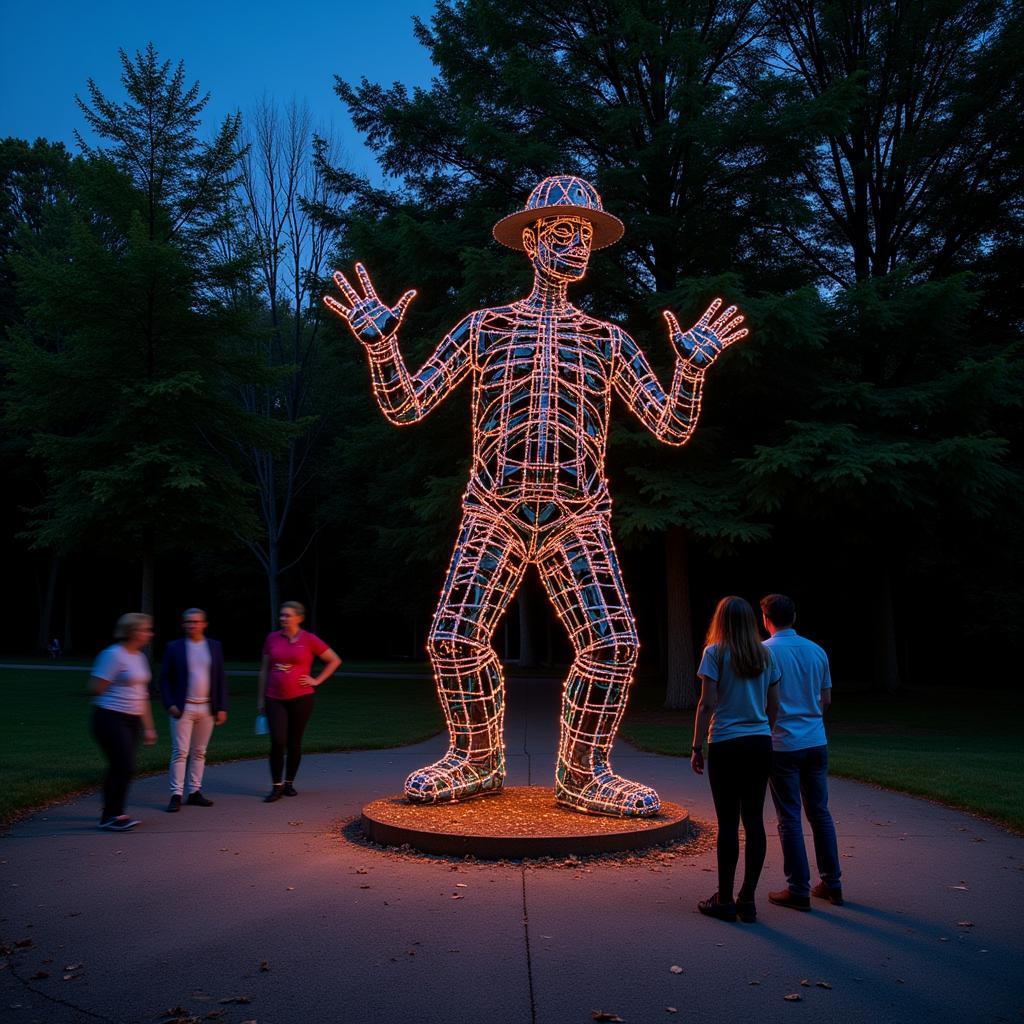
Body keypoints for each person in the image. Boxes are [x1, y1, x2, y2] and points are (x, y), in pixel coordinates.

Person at [325, 175, 748, 816]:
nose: (575, 244)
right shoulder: (486, 328)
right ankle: (474, 757)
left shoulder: (608, 341)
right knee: (452, 638)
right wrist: (382, 345)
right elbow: (408, 405)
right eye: (561, 231)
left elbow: (671, 426)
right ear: (529, 240)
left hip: (578, 514)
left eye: (584, 235)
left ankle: (584, 772)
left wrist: (690, 369)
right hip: (495, 508)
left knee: (614, 645)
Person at [691, 596, 781, 922]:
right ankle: (748, 899)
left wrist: (696, 746)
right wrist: (762, 732)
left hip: (726, 744)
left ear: (721, 620)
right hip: (759, 744)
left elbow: (706, 704)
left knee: (728, 822)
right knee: (754, 821)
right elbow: (774, 705)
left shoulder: (714, 653)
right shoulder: (766, 655)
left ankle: (724, 899)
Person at [761, 593, 843, 910]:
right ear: (794, 616)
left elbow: (764, 700)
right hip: (815, 740)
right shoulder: (816, 651)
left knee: (789, 817)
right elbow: (826, 700)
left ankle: (798, 888)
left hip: (782, 742)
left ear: (765, 618)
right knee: (820, 813)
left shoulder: (765, 653)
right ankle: (832, 883)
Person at [256, 601, 341, 802]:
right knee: (278, 741)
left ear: (299, 618)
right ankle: (276, 786)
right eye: (281, 615)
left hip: (302, 698)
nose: (283, 618)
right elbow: (264, 670)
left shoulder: (309, 639)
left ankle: (289, 783)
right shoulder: (272, 638)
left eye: (287, 615)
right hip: (274, 697)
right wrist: (260, 699)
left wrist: (317, 680)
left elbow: (334, 660)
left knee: (294, 742)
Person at [89, 613, 157, 831]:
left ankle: (116, 812)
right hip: (110, 717)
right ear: (133, 631)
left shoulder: (139, 657)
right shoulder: (112, 655)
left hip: (133, 720)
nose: (150, 634)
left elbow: (142, 694)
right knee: (123, 765)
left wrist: (149, 727)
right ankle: (111, 815)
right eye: (146, 629)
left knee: (123, 767)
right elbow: (94, 688)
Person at [159, 608, 228, 813]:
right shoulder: (174, 647)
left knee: (199, 752)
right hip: (183, 708)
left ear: (204, 624)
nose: (192, 625)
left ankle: (195, 791)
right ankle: (176, 794)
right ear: (183, 624)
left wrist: (222, 706)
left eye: (196, 621)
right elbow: (164, 679)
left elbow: (220, 678)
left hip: (207, 707)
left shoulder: (214, 646)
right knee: (180, 751)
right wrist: (170, 703)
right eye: (188, 622)